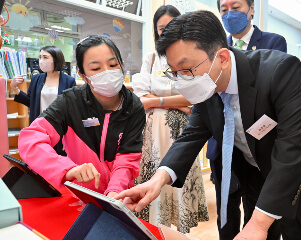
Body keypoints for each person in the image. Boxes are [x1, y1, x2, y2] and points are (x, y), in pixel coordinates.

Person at [114, 11, 301, 240]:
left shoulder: (280, 71)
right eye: (174, 73)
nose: (182, 82)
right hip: (259, 177)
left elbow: (295, 146)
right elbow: (191, 136)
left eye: (187, 70)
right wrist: (157, 181)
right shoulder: (206, 87)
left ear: (222, 58)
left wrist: (258, 224)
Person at [18, 35, 145, 197]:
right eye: (96, 68)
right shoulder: (70, 101)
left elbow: (127, 158)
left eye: (113, 64)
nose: (107, 72)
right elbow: (31, 139)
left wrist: (115, 191)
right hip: (80, 193)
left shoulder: (133, 106)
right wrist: (67, 168)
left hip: (119, 197)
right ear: (83, 75)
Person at [206, 0, 287, 238]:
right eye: (224, 9)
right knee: (227, 211)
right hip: (225, 147)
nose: (230, 14)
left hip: (259, 144)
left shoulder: (273, 42)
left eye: (237, 7)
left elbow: (268, 90)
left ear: (252, 9)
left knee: (259, 209)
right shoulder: (216, 48)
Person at [132, 5, 209, 233]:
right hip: (153, 133)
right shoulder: (151, 58)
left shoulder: (189, 57)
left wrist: (155, 101)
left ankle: (177, 233)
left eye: (172, 26)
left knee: (178, 179)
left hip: (183, 132)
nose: (166, 32)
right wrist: (178, 103)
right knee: (155, 178)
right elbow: (140, 96)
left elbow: (195, 96)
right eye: (161, 28)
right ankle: (153, 231)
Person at [10, 46, 76, 155]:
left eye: (45, 57)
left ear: (56, 59)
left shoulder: (69, 81)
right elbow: (30, 102)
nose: (41, 61)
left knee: (57, 160)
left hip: (59, 128)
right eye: (40, 57)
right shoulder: (36, 79)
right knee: (40, 157)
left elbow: (72, 110)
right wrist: (15, 88)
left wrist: (68, 138)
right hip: (40, 126)